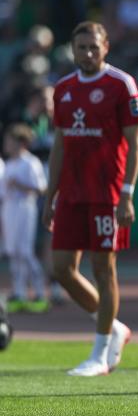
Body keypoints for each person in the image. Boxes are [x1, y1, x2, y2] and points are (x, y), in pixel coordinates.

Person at [41, 22, 138, 376]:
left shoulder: (121, 84)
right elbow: (59, 143)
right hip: (71, 193)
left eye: (93, 47)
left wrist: (127, 193)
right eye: (81, 47)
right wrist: (50, 195)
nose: (87, 53)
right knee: (61, 269)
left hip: (107, 193)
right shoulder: (64, 88)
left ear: (106, 47)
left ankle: (100, 354)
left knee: (103, 268)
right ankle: (114, 328)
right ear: (72, 49)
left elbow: (136, 142)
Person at [2, 124, 48, 312]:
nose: (7, 145)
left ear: (21, 143)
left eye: (10, 141)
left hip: (25, 207)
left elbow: (41, 188)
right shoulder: (8, 164)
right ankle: (19, 293)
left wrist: (20, 185)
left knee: (25, 252)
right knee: (13, 252)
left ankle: (40, 292)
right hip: (9, 209)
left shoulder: (31, 162)